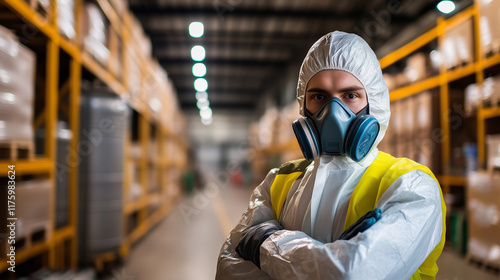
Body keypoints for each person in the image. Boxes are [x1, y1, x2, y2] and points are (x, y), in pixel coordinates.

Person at [216, 31, 445, 280]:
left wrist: (268, 243)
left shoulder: (411, 185)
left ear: (375, 104)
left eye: (350, 95)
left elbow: (353, 273)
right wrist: (332, 257)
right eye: (319, 97)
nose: (334, 112)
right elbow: (230, 269)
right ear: (303, 107)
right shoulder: (278, 182)